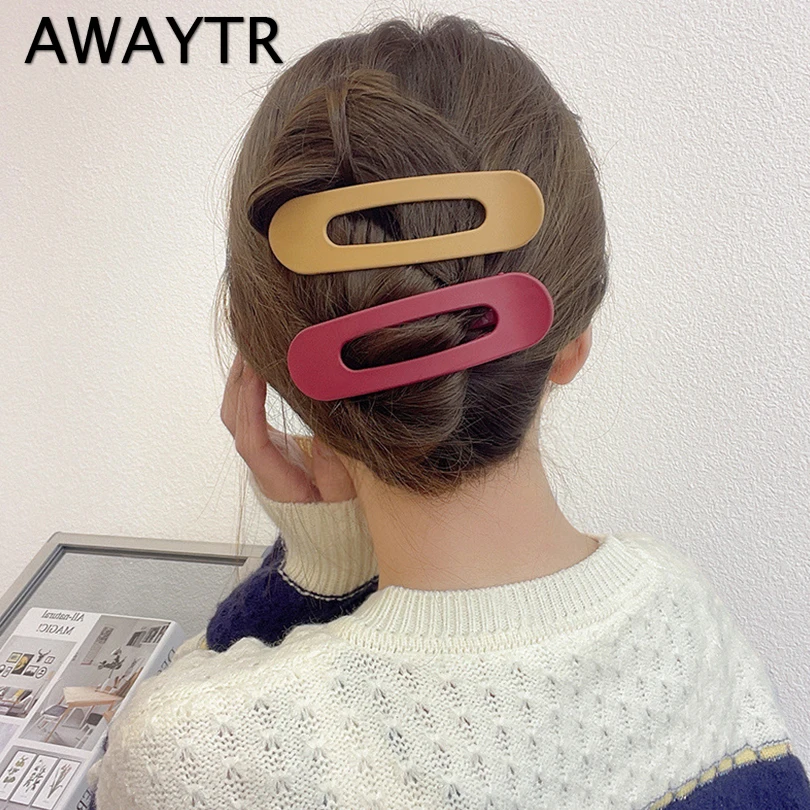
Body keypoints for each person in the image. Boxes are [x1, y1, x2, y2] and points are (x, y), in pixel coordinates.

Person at [88, 14, 810, 810]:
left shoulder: (197, 749)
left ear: (277, 374)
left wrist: (320, 571)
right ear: (572, 343)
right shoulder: (690, 624)